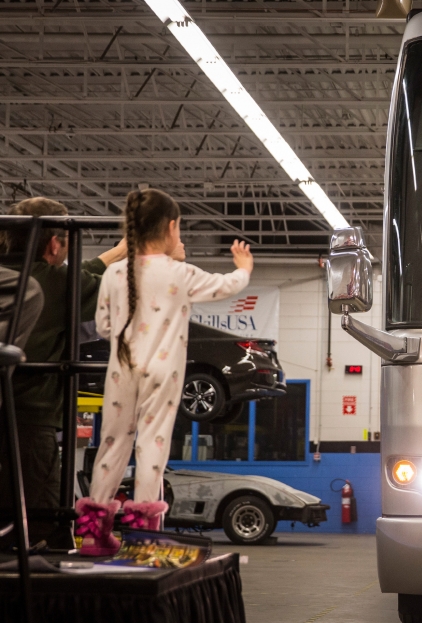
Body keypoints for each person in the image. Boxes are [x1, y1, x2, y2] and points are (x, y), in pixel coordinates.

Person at [75, 189, 253, 556]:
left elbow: (104, 326)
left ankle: (94, 535)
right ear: (172, 227)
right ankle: (144, 539)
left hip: (121, 370)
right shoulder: (179, 273)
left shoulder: (113, 273)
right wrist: (244, 267)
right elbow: (226, 286)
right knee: (151, 446)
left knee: (111, 445)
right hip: (163, 372)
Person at [0, 197, 127, 546]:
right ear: (55, 244)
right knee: (39, 527)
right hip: (29, 421)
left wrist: (116, 253)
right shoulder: (49, 283)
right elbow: (81, 283)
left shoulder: (13, 275)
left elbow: (75, 276)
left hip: (13, 414)